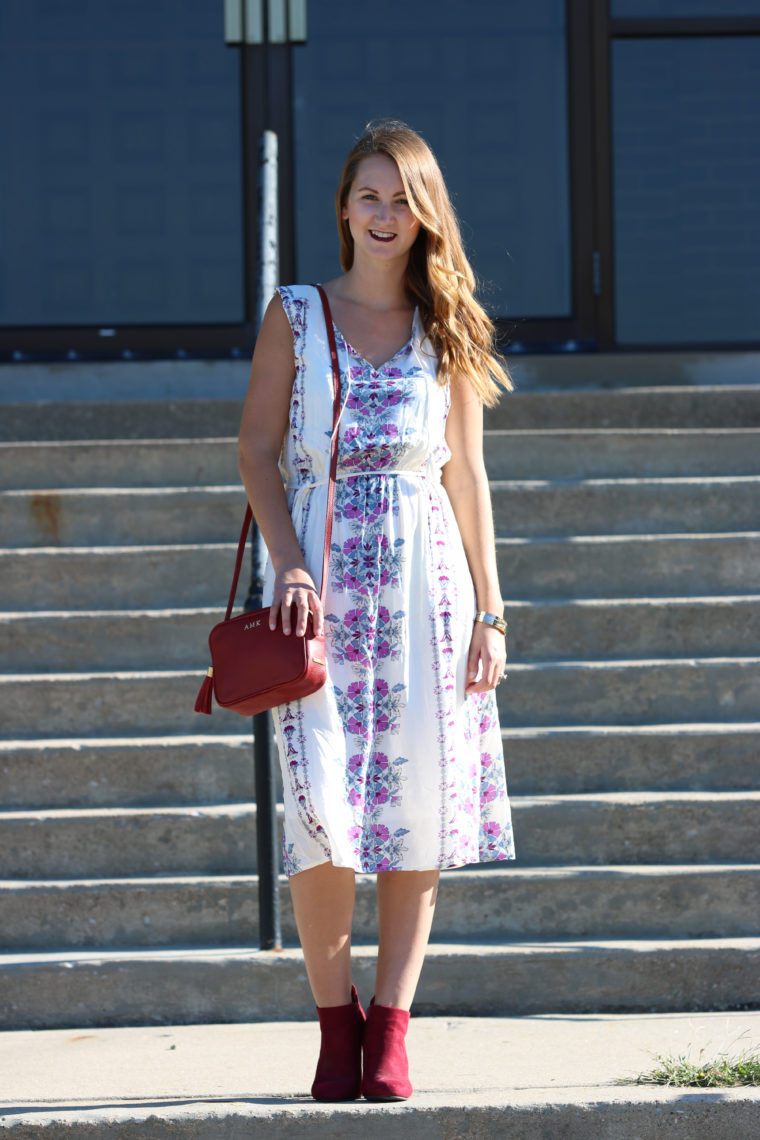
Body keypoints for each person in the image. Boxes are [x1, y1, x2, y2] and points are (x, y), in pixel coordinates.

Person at [237, 118, 515, 1103]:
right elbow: (257, 450)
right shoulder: (298, 316)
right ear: (343, 208)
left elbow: (469, 478)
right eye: (369, 195)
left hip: (426, 592)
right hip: (319, 593)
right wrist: (288, 566)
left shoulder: (449, 328)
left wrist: (491, 611)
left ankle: (391, 1027)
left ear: (425, 211)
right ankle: (333, 1022)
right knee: (321, 813)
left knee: (418, 810)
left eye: (404, 197)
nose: (385, 213)